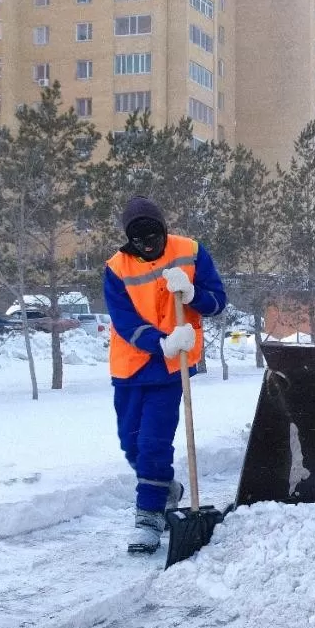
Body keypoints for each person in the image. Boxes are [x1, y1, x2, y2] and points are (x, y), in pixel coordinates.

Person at [104, 196, 227, 554]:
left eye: (154, 235)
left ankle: (148, 517)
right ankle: (165, 489)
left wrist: (192, 294)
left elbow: (218, 302)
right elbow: (124, 320)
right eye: (140, 239)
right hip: (131, 366)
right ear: (130, 239)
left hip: (172, 371)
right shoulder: (116, 267)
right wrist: (161, 341)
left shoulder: (190, 252)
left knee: (153, 443)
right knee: (131, 445)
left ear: (163, 229)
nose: (149, 244)